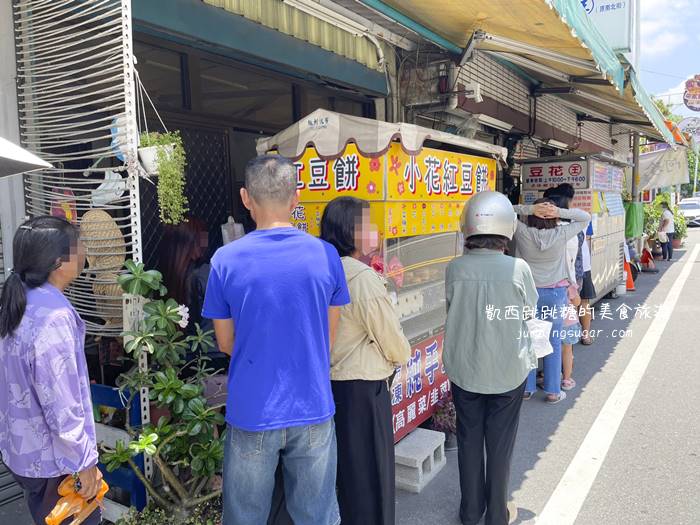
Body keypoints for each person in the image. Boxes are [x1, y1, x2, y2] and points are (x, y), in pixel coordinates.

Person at [202, 155, 350, 525]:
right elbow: (327, 338)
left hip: (253, 409)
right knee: (317, 516)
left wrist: (261, 351)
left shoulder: (225, 260)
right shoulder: (326, 255)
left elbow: (224, 342)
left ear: (246, 198)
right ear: (296, 197)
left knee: (245, 517)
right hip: (313, 404)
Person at [0, 216, 102, 525]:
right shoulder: (54, 315)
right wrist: (85, 462)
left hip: (22, 454)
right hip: (54, 462)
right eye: (79, 245)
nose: (84, 251)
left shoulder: (20, 303)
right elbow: (61, 402)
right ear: (59, 261)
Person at [444, 191, 538, 525]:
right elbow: (530, 311)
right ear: (506, 229)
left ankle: (470, 511)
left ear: (468, 228)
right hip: (507, 370)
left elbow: (452, 309)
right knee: (499, 446)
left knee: (469, 441)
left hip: (465, 369)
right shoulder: (519, 268)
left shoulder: (455, 268)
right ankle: (497, 514)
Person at [320, 196, 411, 525]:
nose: (376, 230)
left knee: (343, 474)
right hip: (363, 391)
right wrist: (403, 355)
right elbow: (394, 343)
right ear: (352, 231)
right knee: (370, 477)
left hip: (329, 387)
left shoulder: (322, 267)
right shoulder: (363, 278)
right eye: (369, 224)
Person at [512, 199, 591, 404]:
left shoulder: (522, 232)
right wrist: (558, 211)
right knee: (553, 342)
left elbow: (504, 211)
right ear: (554, 217)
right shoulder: (561, 234)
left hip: (529, 294)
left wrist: (530, 209)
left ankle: (527, 389)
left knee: (529, 340)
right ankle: (553, 391)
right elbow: (585, 217)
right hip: (555, 294)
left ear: (530, 216)